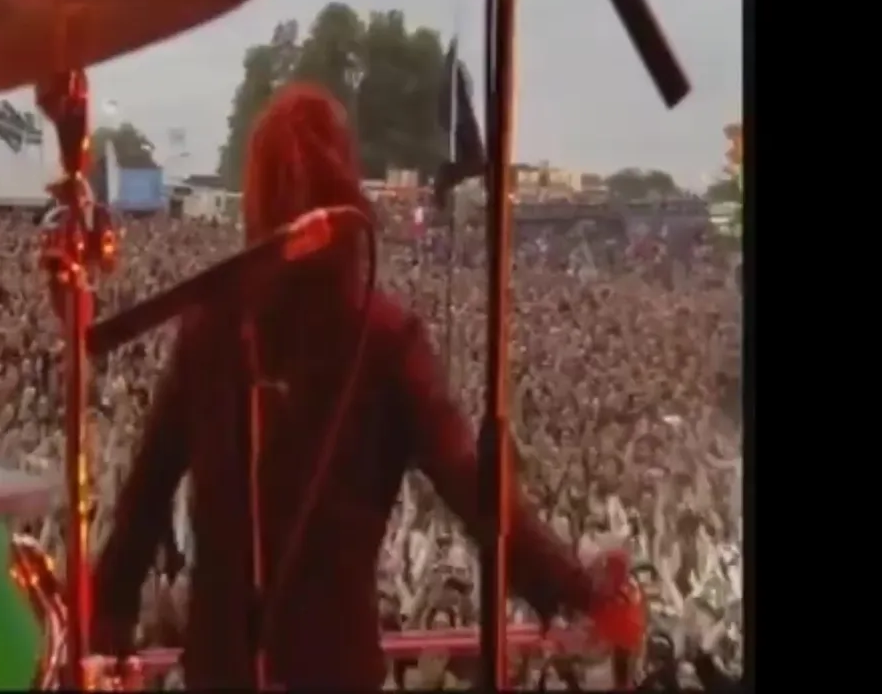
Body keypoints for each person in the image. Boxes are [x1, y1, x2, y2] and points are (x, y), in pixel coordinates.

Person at [90, 82, 644, 688]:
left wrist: (108, 613)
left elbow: (145, 494)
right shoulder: (386, 339)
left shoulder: (210, 328)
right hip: (335, 667)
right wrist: (581, 589)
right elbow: (473, 487)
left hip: (221, 670)